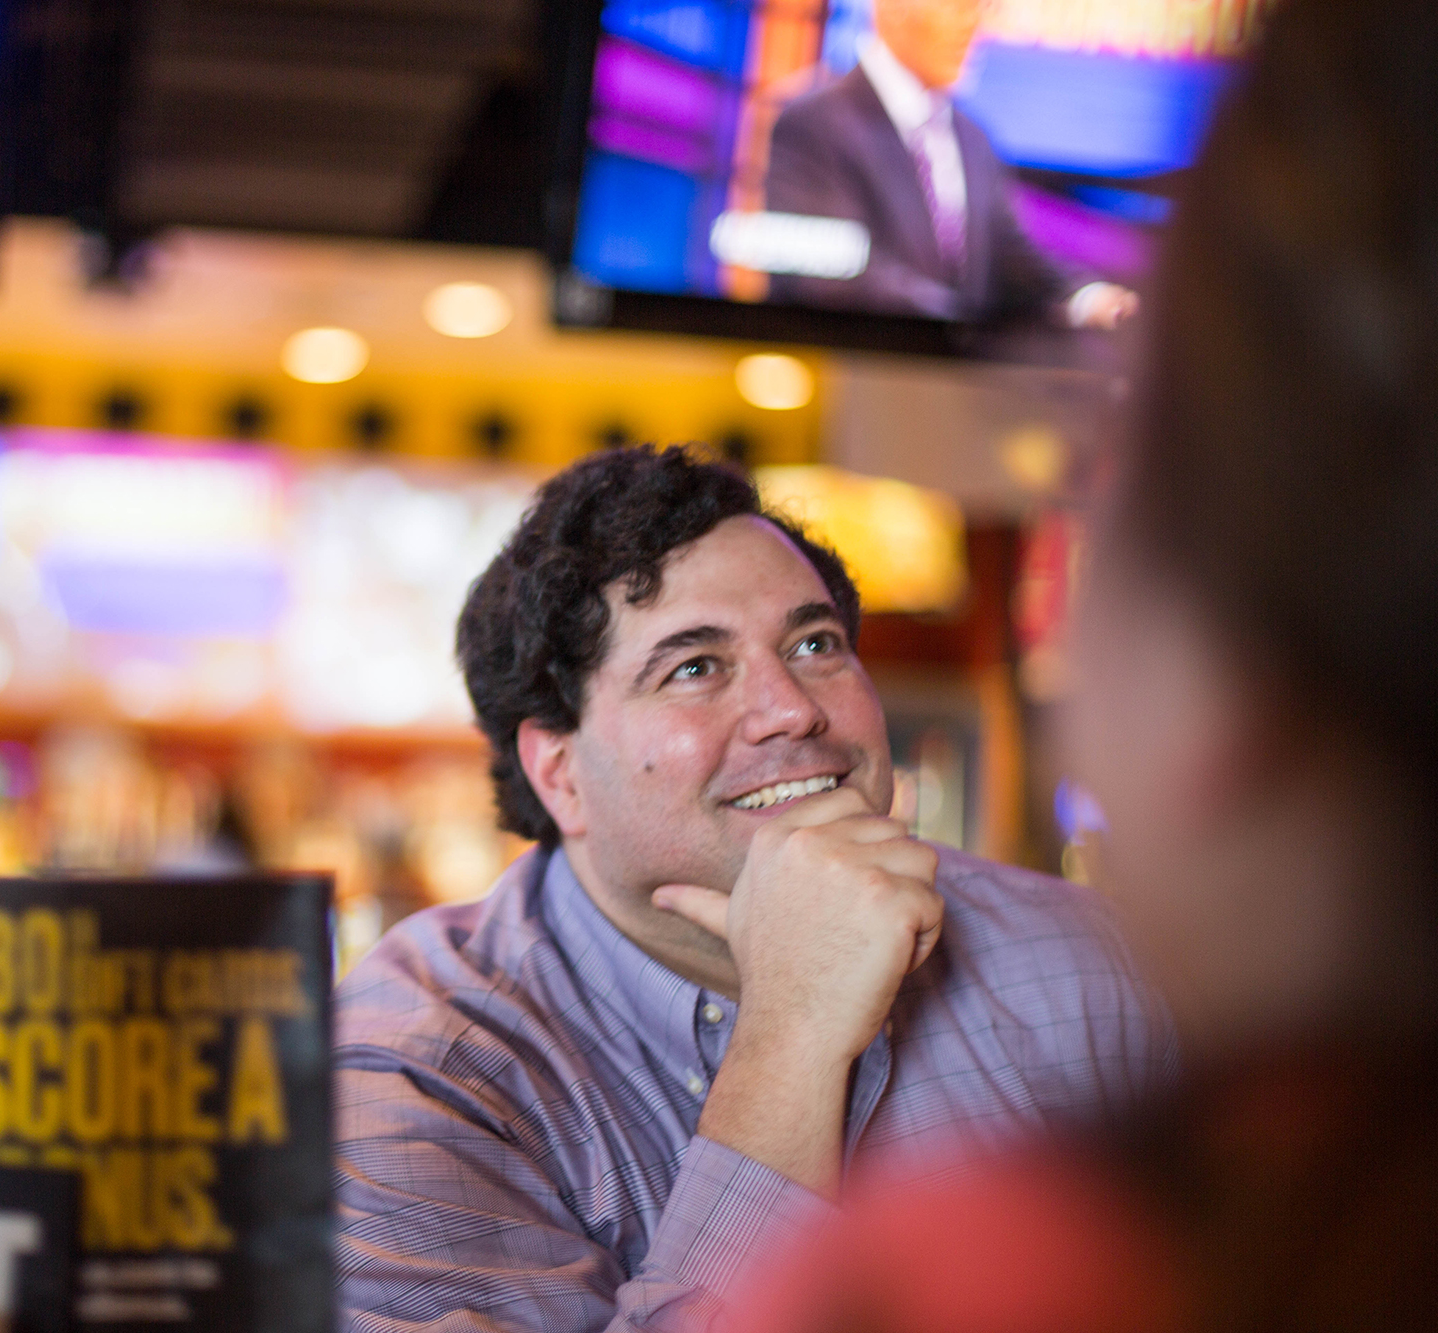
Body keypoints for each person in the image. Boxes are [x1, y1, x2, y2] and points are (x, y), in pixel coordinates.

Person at [740, 0, 1438, 1326]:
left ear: (1237, 686)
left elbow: (993, 279)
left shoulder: (988, 1275)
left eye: (1105, 473)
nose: (785, 715)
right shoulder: (825, 131)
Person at [335, 444, 1173, 1333]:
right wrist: (791, 1033)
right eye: (694, 667)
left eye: (815, 645)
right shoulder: (416, 1075)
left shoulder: (1098, 963)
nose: (793, 708)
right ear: (560, 771)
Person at [759, 0, 1137, 328]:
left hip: (955, 392)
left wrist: (1088, 297)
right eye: (957, 5)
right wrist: (966, 328)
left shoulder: (973, 139)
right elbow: (833, 274)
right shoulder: (812, 123)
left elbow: (1010, 255)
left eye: (981, 7)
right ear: (890, 8)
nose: (973, 25)